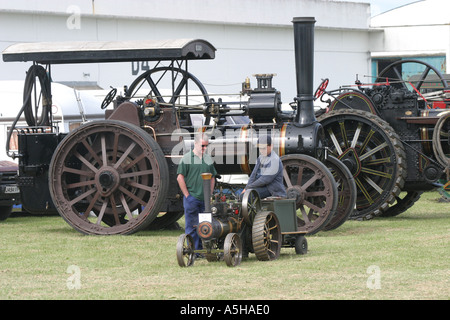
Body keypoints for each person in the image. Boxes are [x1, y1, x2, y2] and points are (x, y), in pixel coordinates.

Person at [177, 133, 217, 251]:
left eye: (206, 146)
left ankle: (202, 250)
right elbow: (180, 178)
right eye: (202, 146)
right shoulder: (186, 158)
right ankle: (192, 251)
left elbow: (212, 177)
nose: (204, 148)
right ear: (195, 144)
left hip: (205, 200)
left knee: (205, 225)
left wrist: (210, 193)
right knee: (192, 227)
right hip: (192, 198)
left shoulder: (208, 159)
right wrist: (187, 196)